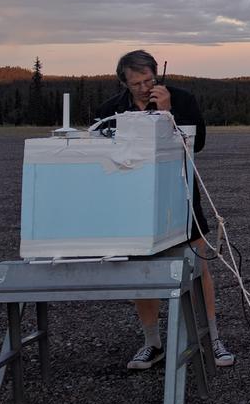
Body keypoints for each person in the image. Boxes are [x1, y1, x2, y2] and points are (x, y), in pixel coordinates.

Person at [95, 50, 235, 370]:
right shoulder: (109, 111)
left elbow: (196, 145)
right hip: (133, 203)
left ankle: (212, 340)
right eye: (137, 83)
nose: (145, 88)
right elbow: (100, 154)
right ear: (123, 83)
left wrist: (167, 112)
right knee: (141, 272)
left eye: (149, 80)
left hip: (181, 196)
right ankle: (152, 343)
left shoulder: (182, 100)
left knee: (198, 267)